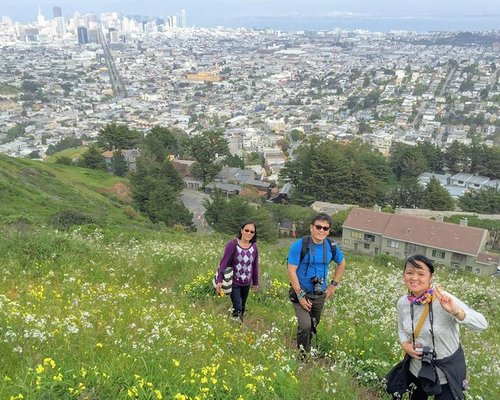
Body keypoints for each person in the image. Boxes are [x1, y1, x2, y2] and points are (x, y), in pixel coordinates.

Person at [396, 255, 488, 400]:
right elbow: (401, 329)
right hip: (417, 370)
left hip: (446, 373)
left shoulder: (443, 299)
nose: (414, 278)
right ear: (404, 275)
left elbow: (482, 324)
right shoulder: (403, 303)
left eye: (421, 274)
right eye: (409, 273)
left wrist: (456, 311)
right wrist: (405, 344)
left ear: (430, 277)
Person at [287, 213, 346, 354]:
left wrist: (333, 285)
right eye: (318, 227)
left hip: (320, 293)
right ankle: (303, 356)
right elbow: (291, 270)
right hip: (301, 291)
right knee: (306, 325)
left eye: (325, 228)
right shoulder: (299, 245)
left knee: (313, 324)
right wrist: (300, 295)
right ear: (311, 227)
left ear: (329, 231)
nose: (321, 230)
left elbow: (342, 263)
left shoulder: (331, 246)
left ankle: (306, 345)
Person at [215, 221, 259, 320]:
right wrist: (219, 280)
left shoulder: (254, 247)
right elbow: (224, 263)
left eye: (252, 232)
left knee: (242, 307)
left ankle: (238, 326)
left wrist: (255, 283)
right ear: (241, 231)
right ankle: (235, 325)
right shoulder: (232, 244)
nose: (249, 233)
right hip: (234, 282)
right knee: (237, 306)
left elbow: (255, 266)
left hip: (246, 283)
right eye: (246, 230)